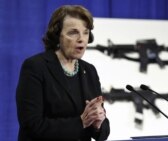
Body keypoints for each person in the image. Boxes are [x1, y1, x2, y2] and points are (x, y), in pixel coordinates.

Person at [16, 5, 110, 141]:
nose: (81, 39)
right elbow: (31, 124)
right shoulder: (36, 67)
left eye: (85, 32)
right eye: (73, 32)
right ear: (57, 36)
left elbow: (103, 131)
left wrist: (98, 124)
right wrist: (81, 123)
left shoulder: (89, 71)